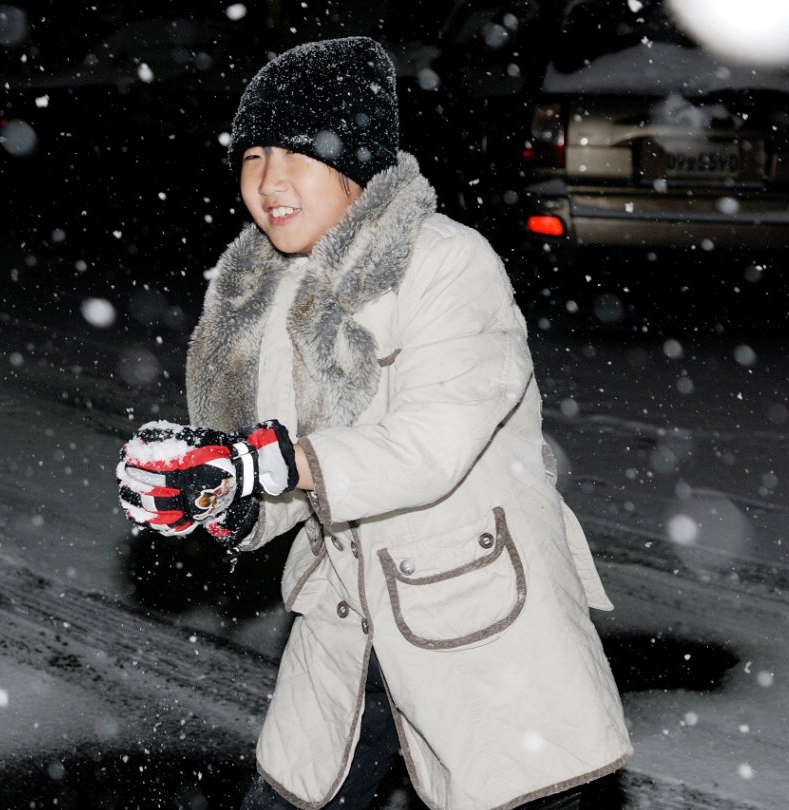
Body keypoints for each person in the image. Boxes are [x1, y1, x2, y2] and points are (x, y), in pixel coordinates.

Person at [116, 37, 631, 810]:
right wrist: (225, 496)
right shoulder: (275, 290)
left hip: (479, 618)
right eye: (252, 156)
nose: (268, 181)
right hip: (347, 622)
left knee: (513, 788)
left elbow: (432, 445)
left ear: (356, 163)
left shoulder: (449, 263)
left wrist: (264, 462)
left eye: (296, 153)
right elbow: (292, 466)